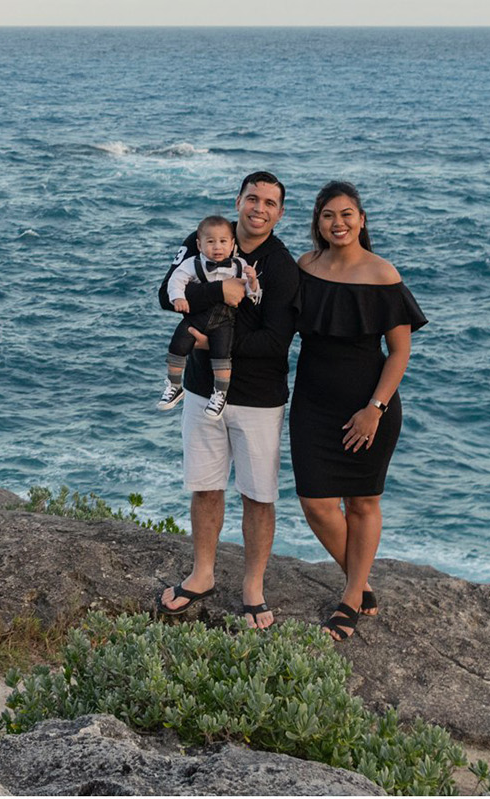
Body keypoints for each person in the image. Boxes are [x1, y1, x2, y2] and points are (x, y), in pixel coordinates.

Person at [154, 171, 298, 630]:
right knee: (205, 485)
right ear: (238, 201)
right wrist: (218, 292)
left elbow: (275, 342)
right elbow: (165, 294)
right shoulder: (205, 238)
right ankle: (202, 574)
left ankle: (253, 587)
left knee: (257, 494)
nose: (259, 208)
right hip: (200, 390)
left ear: (279, 213)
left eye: (269, 203)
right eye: (252, 198)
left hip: (258, 399)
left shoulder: (281, 266)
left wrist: (208, 342)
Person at [289, 181, 427, 644]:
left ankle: (350, 597)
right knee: (315, 502)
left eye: (347, 214)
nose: (338, 223)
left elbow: (400, 353)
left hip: (369, 406)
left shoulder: (382, 275)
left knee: (363, 502)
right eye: (329, 215)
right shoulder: (305, 266)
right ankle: (360, 578)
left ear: (362, 220)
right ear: (318, 223)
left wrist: (374, 409)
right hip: (312, 402)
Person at [158, 215, 261, 418]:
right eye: (210, 242)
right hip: (195, 318)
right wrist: (178, 297)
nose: (217, 247)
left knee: (221, 357)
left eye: (223, 242)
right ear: (199, 244)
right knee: (177, 346)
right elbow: (175, 281)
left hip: (224, 321)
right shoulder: (192, 263)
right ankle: (174, 385)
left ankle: (219, 394)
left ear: (232, 244)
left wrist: (253, 282)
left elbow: (250, 295)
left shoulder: (239, 265)